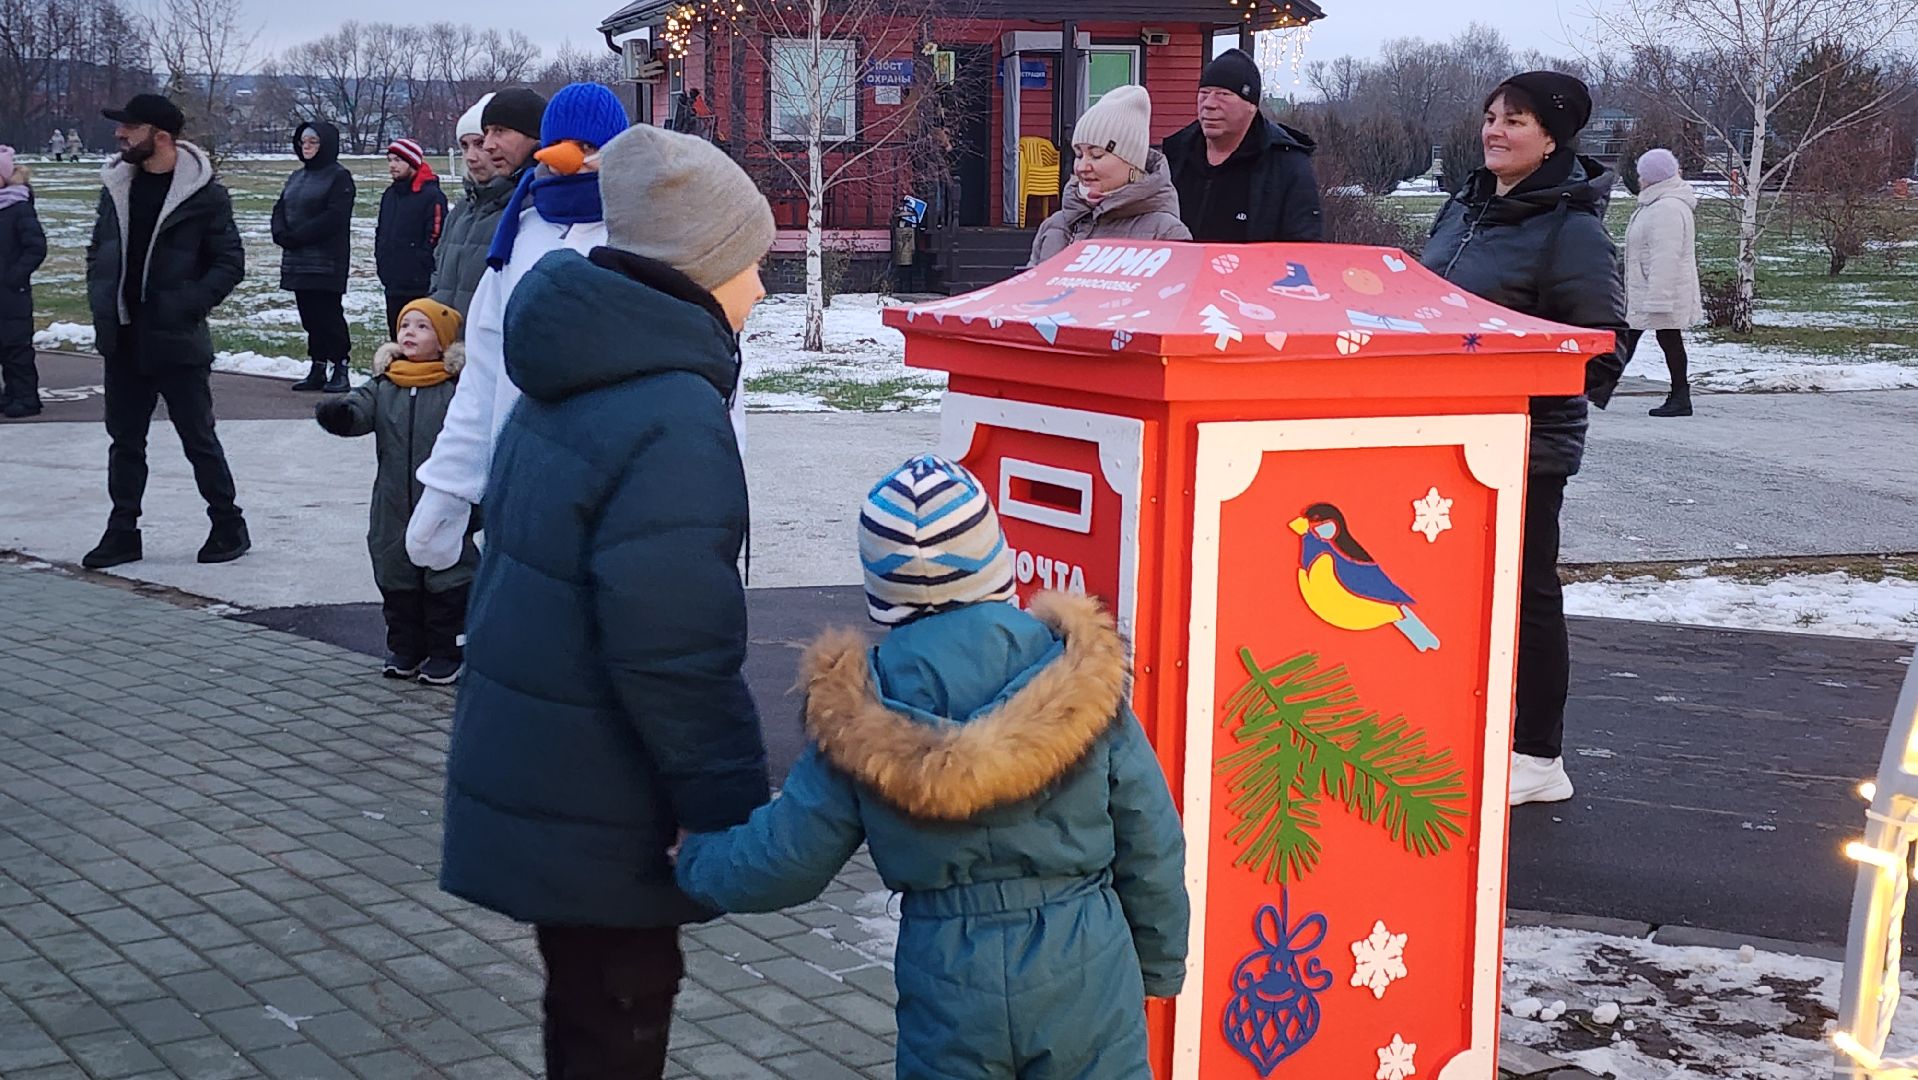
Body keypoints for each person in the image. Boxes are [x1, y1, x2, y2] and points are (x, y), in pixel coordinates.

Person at [437, 122, 776, 1079]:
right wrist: (721, 806)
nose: (761, 287)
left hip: (550, 760)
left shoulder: (576, 366)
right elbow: (675, 646)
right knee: (619, 1015)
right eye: (752, 263)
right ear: (703, 267)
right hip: (611, 787)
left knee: (584, 1005)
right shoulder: (669, 413)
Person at [677, 454, 1189, 1079]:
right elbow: (1151, 837)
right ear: (997, 563)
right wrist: (1160, 961)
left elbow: (790, 858)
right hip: (1084, 956)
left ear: (883, 593)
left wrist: (696, 863)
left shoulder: (860, 709)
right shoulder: (1077, 677)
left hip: (949, 969)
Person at [1419, 71, 1625, 807]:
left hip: (1522, 444)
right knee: (1448, 591)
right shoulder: (1466, 206)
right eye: (1490, 116)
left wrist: (1506, 380)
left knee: (1525, 592)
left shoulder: (1569, 228)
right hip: (1439, 434)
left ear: (1553, 138)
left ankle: (1538, 755)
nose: (1495, 130)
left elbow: (1602, 348)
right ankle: (1465, 725)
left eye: (1516, 121)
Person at [405, 83, 631, 573]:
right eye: (564, 145)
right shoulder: (519, 238)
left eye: (590, 148)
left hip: (619, 490)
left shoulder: (643, 239)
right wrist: (449, 485)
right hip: (522, 478)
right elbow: (484, 372)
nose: (574, 159)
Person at [82, 93, 249, 570]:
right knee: (125, 441)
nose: (119, 134)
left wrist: (185, 305)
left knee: (198, 438)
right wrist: (102, 299)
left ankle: (228, 524)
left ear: (160, 136)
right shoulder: (116, 186)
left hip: (176, 339)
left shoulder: (204, 194)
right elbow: (99, 250)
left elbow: (230, 263)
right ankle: (122, 532)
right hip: (124, 338)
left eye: (129, 127)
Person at [315, 298, 475, 685]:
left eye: (422, 327)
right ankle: (406, 647)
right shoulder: (385, 385)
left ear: (443, 341)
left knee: (446, 578)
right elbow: (360, 409)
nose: (409, 333)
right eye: (405, 326)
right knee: (396, 573)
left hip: (443, 501)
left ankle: (447, 651)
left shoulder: (457, 388)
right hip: (392, 503)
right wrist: (341, 415)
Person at [1162, 48, 1322, 243]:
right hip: (1181, 271)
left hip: (1256, 272)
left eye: (1223, 94)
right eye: (1204, 93)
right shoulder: (1174, 155)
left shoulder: (1286, 166)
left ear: (1251, 106)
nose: (1209, 104)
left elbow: (1304, 249)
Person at [1027, 85, 1190, 266]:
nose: (1082, 167)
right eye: (1079, 155)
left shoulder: (1165, 233)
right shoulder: (1054, 226)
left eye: (1096, 155)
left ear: (1132, 162)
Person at [272, 120, 356, 393]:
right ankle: (317, 366)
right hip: (298, 260)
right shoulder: (296, 177)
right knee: (309, 316)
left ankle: (340, 366)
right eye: (303, 142)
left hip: (326, 261)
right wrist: (280, 232)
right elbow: (281, 207)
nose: (306, 147)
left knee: (328, 315)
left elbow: (334, 216)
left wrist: (300, 236)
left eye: (313, 142)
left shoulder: (339, 177)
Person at [1623, 147, 1701, 418]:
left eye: (1642, 174)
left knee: (1646, 338)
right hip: (1651, 289)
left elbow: (1665, 257)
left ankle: (1594, 388)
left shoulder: (1666, 208)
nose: (1638, 178)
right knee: (1656, 338)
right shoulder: (1657, 203)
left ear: (1652, 177)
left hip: (1659, 291)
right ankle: (1680, 395)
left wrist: (1658, 299)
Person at [426, 93, 514, 320]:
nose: (471, 157)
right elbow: (438, 275)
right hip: (449, 345)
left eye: (480, 144)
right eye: (464, 146)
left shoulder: (521, 209)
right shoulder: (460, 211)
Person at [374, 138, 447, 338]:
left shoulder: (432, 196)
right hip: (392, 280)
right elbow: (381, 230)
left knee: (419, 338)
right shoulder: (390, 194)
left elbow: (436, 235)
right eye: (389, 160)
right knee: (397, 334)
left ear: (412, 162)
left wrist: (420, 263)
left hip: (418, 282)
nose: (392, 165)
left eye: (398, 160)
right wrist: (382, 259)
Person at [1, 146, 47, 419]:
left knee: (15, 348)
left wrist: (14, 276)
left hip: (11, 292)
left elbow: (36, 247)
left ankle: (26, 397)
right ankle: (9, 395)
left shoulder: (18, 208)